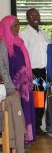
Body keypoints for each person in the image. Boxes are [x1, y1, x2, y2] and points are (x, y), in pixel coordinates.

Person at [0, 15, 36, 143]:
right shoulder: (3, 43)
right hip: (13, 85)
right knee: (16, 113)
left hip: (25, 84)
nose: (17, 28)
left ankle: (27, 138)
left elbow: (25, 62)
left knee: (26, 110)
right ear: (7, 27)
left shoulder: (19, 41)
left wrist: (30, 75)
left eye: (18, 24)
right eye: (15, 25)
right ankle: (17, 140)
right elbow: (2, 67)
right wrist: (10, 87)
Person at [20, 8, 49, 136]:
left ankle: (37, 126)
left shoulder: (43, 33)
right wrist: (28, 72)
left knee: (41, 100)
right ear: (27, 18)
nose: (36, 17)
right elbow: (23, 56)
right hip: (32, 72)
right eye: (32, 16)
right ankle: (32, 128)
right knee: (34, 100)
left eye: (37, 15)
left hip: (43, 72)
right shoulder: (24, 34)